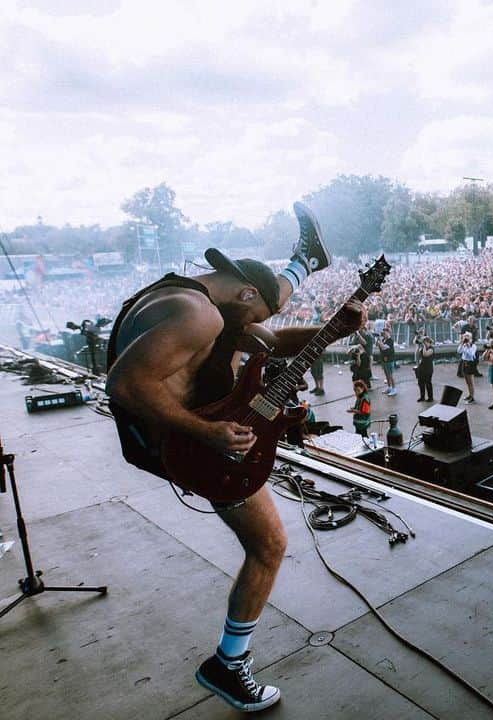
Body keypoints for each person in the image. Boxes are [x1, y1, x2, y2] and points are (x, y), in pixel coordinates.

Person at [105, 204, 349, 713]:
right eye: (259, 312)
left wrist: (336, 329)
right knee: (269, 546)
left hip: (190, 436)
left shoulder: (200, 297)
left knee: (267, 545)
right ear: (243, 295)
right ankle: (228, 664)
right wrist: (210, 432)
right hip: (194, 448)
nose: (260, 327)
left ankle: (304, 262)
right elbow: (125, 384)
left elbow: (271, 337)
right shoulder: (199, 315)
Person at [457, 332, 478, 404]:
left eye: (467, 337)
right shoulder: (464, 345)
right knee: (467, 382)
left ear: (470, 338)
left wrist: (468, 346)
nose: (466, 338)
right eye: (465, 337)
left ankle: (472, 397)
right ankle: (469, 395)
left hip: (470, 364)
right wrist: (462, 343)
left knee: (471, 382)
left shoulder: (473, 346)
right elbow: (459, 351)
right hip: (464, 363)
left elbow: (471, 354)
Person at [375, 325, 396, 396]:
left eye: (385, 333)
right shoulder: (383, 340)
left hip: (389, 360)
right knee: (386, 374)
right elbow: (377, 345)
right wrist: (378, 340)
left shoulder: (390, 341)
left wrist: (380, 342)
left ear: (388, 333)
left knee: (390, 375)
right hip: (384, 360)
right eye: (383, 333)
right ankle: (389, 387)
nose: (383, 334)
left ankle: (394, 389)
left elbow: (384, 347)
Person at [415, 335, 434, 402]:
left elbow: (425, 354)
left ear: (428, 342)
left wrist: (424, 346)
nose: (424, 343)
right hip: (421, 367)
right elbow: (418, 354)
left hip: (428, 368)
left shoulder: (431, 349)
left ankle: (430, 397)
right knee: (420, 382)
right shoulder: (423, 347)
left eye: (425, 342)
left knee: (428, 383)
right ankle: (422, 397)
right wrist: (419, 346)